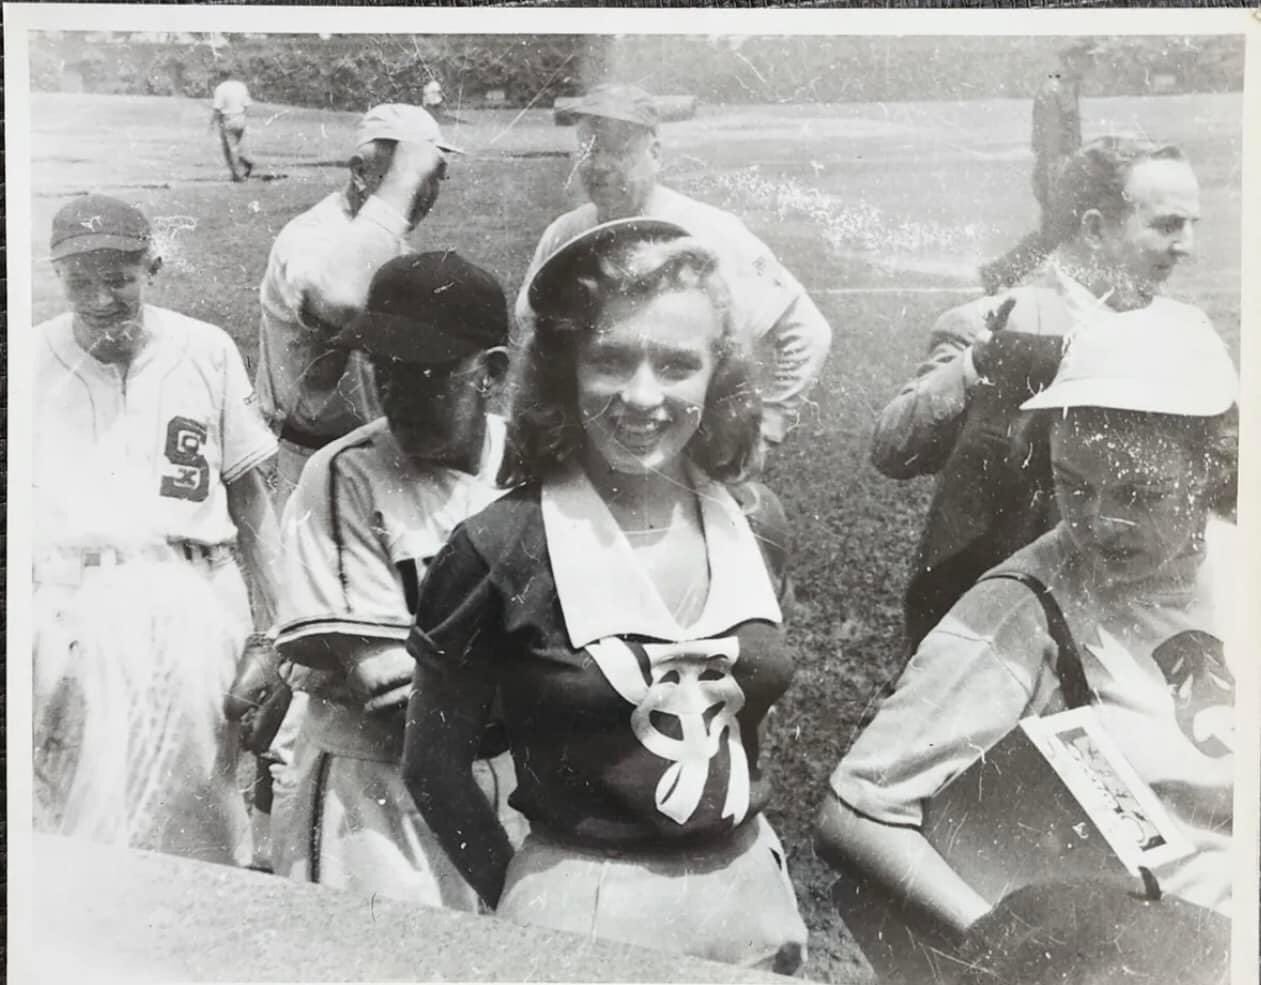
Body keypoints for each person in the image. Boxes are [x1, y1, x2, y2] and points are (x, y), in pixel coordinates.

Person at [403, 219, 808, 973]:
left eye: (678, 364)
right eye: (611, 360)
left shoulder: (755, 520)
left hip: (747, 886)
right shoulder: (497, 546)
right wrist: (528, 903)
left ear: (717, 375)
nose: (644, 395)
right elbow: (433, 766)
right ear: (563, 369)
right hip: (586, 900)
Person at [817, 307, 1237, 982]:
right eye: (1073, 484)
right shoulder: (1023, 603)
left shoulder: (1238, 558)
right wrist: (1011, 946)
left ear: (1210, 467)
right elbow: (857, 807)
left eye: (1139, 492)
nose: (1101, 521)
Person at [871, 136, 1212, 649]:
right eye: (1167, 225)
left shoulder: (1184, 330)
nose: (1187, 245)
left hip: (1139, 623)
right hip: (1003, 627)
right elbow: (893, 447)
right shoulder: (994, 319)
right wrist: (981, 360)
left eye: (1191, 225)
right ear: (1096, 228)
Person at [32, 194, 284, 865]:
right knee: (69, 822)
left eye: (118, 277)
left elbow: (252, 502)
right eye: (79, 280)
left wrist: (273, 633)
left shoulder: (205, 349)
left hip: (195, 591)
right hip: (72, 602)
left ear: (153, 266)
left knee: (204, 810)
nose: (100, 297)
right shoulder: (28, 362)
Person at [270, 250, 525, 906]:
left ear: (491, 371)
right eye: (385, 369)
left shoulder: (534, 468)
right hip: (372, 794)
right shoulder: (345, 473)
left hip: (510, 780)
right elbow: (389, 690)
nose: (399, 393)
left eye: (430, 373)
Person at [515, 83, 832, 457]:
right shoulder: (565, 233)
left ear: (655, 153)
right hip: (588, 444)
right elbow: (530, 333)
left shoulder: (712, 231)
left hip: (682, 442)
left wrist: (772, 423)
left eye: (619, 151)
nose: (600, 166)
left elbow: (809, 333)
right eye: (589, 149)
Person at [255, 102, 460, 510]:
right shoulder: (313, 236)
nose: (422, 192)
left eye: (433, 177)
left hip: (380, 457)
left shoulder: (386, 242)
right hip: (311, 462)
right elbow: (340, 302)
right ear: (360, 172)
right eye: (405, 176)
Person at [979, 41, 1096, 293]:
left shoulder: (1067, 86)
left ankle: (1000, 272)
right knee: (1054, 234)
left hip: (1064, 168)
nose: (1092, 64)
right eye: (1088, 58)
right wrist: (1058, 181)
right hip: (1054, 170)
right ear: (1071, 60)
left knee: (1058, 233)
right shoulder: (1053, 89)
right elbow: (1050, 145)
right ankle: (998, 272)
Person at [210, 70, 255, 182]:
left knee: (230, 149)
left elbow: (217, 108)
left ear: (221, 76)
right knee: (238, 146)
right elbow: (246, 105)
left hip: (228, 119)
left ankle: (236, 174)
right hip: (240, 118)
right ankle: (244, 162)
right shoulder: (241, 86)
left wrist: (211, 123)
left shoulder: (220, 88)